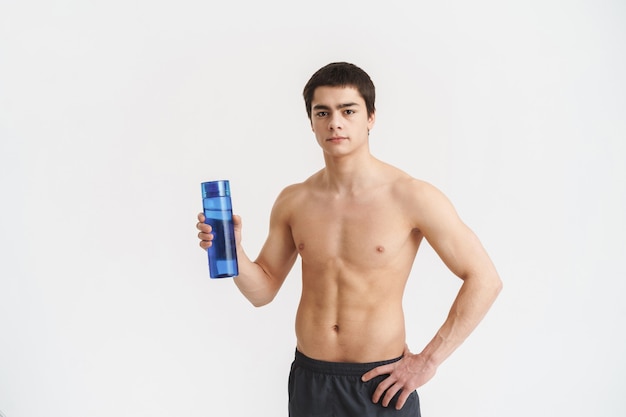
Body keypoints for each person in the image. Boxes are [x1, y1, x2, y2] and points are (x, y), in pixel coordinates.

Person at [196, 62, 502, 416]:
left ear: (370, 117)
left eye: (348, 110)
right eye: (322, 112)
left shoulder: (412, 196)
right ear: (311, 122)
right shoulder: (294, 200)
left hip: (382, 384)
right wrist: (233, 253)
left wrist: (427, 362)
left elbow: (485, 279)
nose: (334, 123)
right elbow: (262, 291)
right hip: (311, 380)